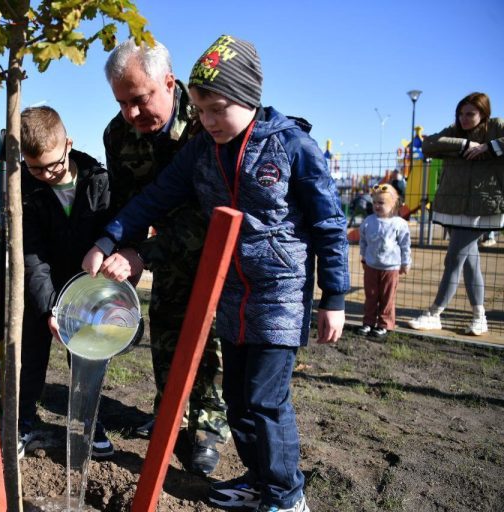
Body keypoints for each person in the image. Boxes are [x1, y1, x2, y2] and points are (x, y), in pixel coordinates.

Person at [84, 35, 348, 512]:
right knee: (238, 395)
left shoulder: (290, 146)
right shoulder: (205, 146)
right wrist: (110, 240)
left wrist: (334, 296)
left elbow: (329, 222)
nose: (205, 122)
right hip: (230, 288)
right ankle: (258, 479)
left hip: (276, 293)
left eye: (215, 110)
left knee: (266, 401)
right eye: (202, 113)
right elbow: (153, 197)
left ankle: (287, 497)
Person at [100, 38, 229, 475]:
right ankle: (172, 416)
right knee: (167, 333)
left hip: (213, 249)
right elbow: (128, 202)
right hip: (163, 251)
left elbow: (206, 216)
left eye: (140, 100)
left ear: (169, 83)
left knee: (206, 338)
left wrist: (143, 254)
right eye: (122, 104)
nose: (132, 115)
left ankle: (207, 429)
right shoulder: (118, 135)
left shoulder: (206, 121)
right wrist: (124, 261)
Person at [17, 106, 115, 461]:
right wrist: (48, 308)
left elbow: (110, 232)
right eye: (35, 167)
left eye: (53, 165)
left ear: (68, 144)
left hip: (86, 286)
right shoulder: (24, 192)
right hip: (40, 285)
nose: (45, 174)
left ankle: (89, 422)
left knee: (87, 358)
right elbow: (32, 256)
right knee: (30, 356)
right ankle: (21, 421)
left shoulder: (98, 179)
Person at [408, 92, 504, 336]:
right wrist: (463, 145)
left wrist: (489, 147)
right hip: (452, 205)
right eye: (461, 113)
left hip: (480, 207)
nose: (464, 118)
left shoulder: (496, 127)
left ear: (483, 113)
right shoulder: (455, 130)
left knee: (453, 260)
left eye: (470, 113)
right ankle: (479, 316)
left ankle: (435, 312)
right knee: (470, 263)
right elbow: (428, 144)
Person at [357, 184, 411, 339]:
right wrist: (363, 256)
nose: (376, 206)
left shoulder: (399, 224)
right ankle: (368, 322)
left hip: (391, 268)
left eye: (381, 203)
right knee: (371, 295)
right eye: (375, 202)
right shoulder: (368, 221)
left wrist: (405, 263)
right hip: (371, 265)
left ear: (393, 204)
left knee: (387, 297)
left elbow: (405, 245)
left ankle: (384, 324)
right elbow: (363, 241)